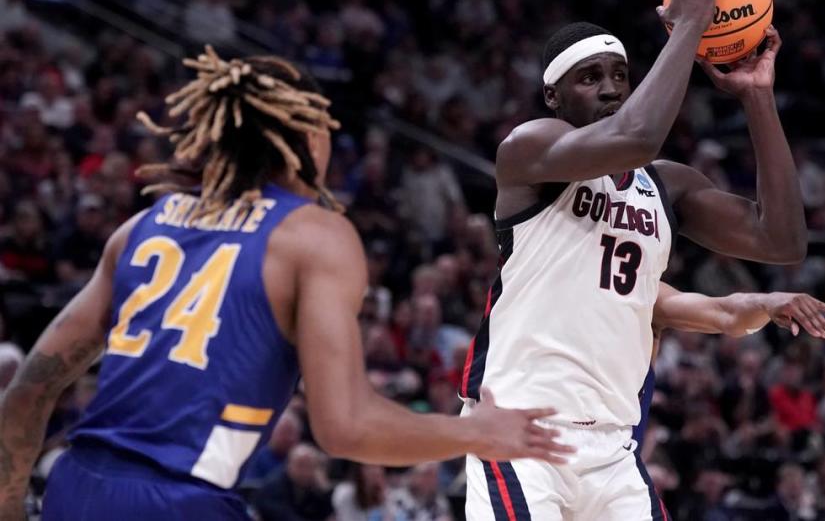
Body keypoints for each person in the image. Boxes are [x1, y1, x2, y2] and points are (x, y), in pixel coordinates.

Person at [0, 48, 572, 520]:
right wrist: (478, 433)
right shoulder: (314, 236)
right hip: (182, 501)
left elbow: (28, 390)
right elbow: (345, 427)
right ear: (301, 133)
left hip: (74, 489)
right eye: (322, 122)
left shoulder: (139, 228)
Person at [460, 0, 825, 520]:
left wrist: (757, 96)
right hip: (518, 432)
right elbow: (635, 135)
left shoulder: (665, 185)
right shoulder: (529, 149)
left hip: (612, 450)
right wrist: (690, 25)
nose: (611, 88)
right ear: (554, 97)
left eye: (619, 76)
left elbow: (781, 241)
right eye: (590, 78)